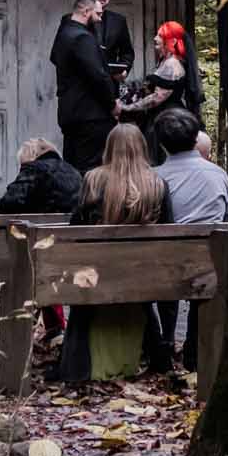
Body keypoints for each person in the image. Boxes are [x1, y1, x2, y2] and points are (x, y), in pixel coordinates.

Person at [55, 125, 176, 384]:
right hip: (143, 275)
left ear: (108, 148)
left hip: (98, 273)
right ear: (142, 149)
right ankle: (156, 354)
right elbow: (169, 233)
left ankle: (78, 365)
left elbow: (77, 228)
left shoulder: (93, 180)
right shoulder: (157, 184)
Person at [150, 106, 228, 376]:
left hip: (164, 267)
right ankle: (195, 352)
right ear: (196, 138)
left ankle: (164, 340)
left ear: (160, 142)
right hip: (211, 264)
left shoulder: (154, 178)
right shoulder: (218, 175)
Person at [0, 137, 84, 348]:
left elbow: (9, 203)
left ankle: (21, 330)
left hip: (41, 249)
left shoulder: (33, 169)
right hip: (71, 247)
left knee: (29, 265)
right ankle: (54, 329)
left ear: (28, 157)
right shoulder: (73, 171)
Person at [51, 0, 118, 169]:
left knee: (72, 167)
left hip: (69, 113)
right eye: (97, 14)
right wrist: (112, 104)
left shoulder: (64, 33)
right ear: (86, 11)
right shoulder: (82, 37)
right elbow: (98, 75)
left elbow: (54, 58)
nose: (99, 20)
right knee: (91, 170)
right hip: (90, 116)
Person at [122, 20, 205, 141]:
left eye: (160, 36)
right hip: (163, 114)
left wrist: (128, 108)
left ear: (173, 41)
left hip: (167, 117)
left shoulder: (172, 63)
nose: (155, 38)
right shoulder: (165, 61)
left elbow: (156, 98)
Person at [89, 0, 135, 85]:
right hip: (81, 87)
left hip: (110, 84)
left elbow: (127, 52)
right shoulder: (73, 19)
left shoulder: (119, 21)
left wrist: (124, 70)